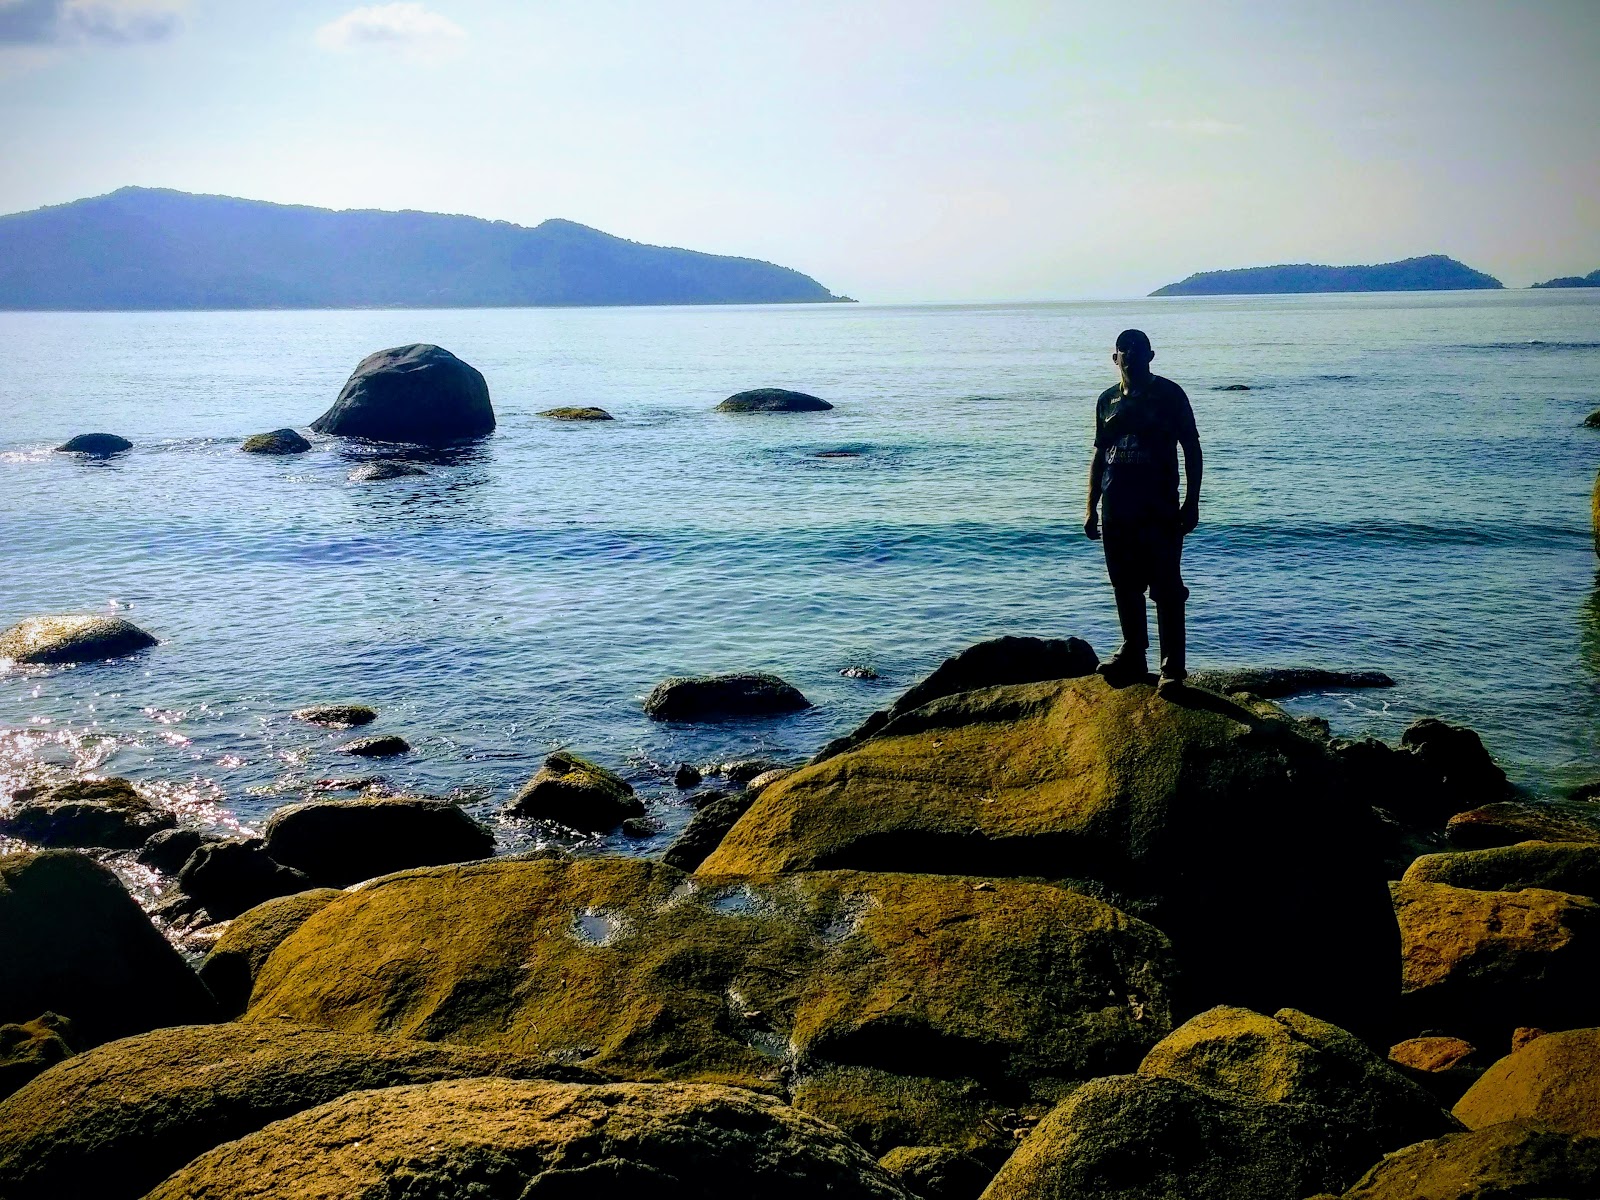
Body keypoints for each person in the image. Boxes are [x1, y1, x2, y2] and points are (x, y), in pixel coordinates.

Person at [1083, 329, 1202, 693]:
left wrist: (1191, 502)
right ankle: (1134, 653)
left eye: (1138, 351)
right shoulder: (1106, 401)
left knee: (1167, 588)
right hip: (1117, 509)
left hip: (1159, 508)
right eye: (1125, 351)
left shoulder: (1170, 395)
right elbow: (1099, 455)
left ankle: (1173, 669)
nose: (1131, 357)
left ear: (1151, 356)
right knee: (1124, 585)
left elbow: (1192, 449)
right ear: (1115, 358)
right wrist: (1090, 506)